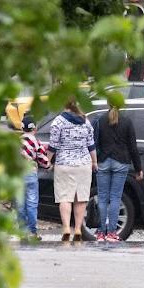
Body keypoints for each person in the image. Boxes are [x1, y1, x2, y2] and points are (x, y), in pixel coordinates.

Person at [47, 99, 97, 242]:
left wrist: (46, 161)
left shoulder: (58, 122)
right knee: (81, 199)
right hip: (84, 164)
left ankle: (66, 228)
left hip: (64, 164)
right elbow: (91, 145)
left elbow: (53, 146)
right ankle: (78, 229)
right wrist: (94, 162)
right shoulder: (86, 121)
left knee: (65, 197)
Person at [94, 106, 143, 242]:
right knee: (115, 198)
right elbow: (133, 147)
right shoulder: (127, 121)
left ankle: (101, 232)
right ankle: (111, 233)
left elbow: (95, 142)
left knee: (103, 198)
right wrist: (138, 168)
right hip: (121, 161)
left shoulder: (100, 120)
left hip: (103, 161)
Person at [18, 114, 50, 241]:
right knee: (31, 204)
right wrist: (48, 166)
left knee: (20, 204)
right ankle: (32, 232)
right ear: (34, 128)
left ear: (21, 128)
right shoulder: (36, 141)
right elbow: (43, 159)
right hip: (31, 174)